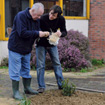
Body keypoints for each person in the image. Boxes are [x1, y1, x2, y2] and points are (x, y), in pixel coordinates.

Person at [8, 2, 49, 100]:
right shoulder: (20, 16)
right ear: (33, 10)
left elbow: (37, 31)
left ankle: (27, 88)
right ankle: (16, 92)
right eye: (38, 15)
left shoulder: (36, 19)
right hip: (16, 48)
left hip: (27, 49)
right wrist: (38, 33)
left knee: (26, 69)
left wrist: (43, 35)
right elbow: (22, 32)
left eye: (40, 15)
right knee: (16, 71)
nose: (39, 17)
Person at [36, 5, 67, 93]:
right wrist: (42, 33)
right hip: (41, 44)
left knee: (57, 64)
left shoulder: (61, 19)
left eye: (53, 15)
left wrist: (60, 33)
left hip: (52, 44)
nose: (51, 16)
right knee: (40, 66)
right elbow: (36, 30)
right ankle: (41, 86)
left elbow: (65, 31)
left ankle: (61, 85)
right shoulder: (42, 18)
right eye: (50, 13)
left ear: (58, 15)